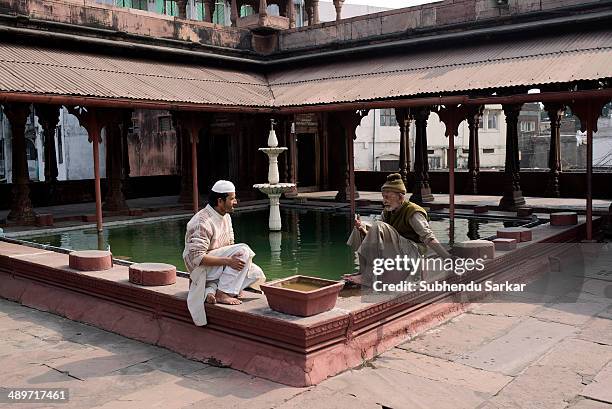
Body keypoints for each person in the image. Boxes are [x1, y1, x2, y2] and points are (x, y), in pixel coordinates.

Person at [344, 173, 451, 286]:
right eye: (383, 197)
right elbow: (377, 237)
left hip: (413, 253)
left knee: (377, 225)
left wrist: (447, 258)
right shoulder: (387, 212)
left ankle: (368, 277)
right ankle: (363, 271)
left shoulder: (413, 212)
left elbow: (428, 237)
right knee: (363, 225)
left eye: (388, 197)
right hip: (396, 250)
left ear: (400, 197)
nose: (384, 201)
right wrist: (361, 230)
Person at [183, 180, 265, 326]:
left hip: (216, 265)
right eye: (232, 198)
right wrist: (228, 262)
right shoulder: (202, 222)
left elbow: (229, 246)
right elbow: (197, 258)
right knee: (244, 251)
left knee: (256, 274)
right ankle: (223, 293)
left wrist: (233, 262)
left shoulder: (225, 216)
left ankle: (211, 289)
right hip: (200, 269)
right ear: (220, 201)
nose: (235, 202)